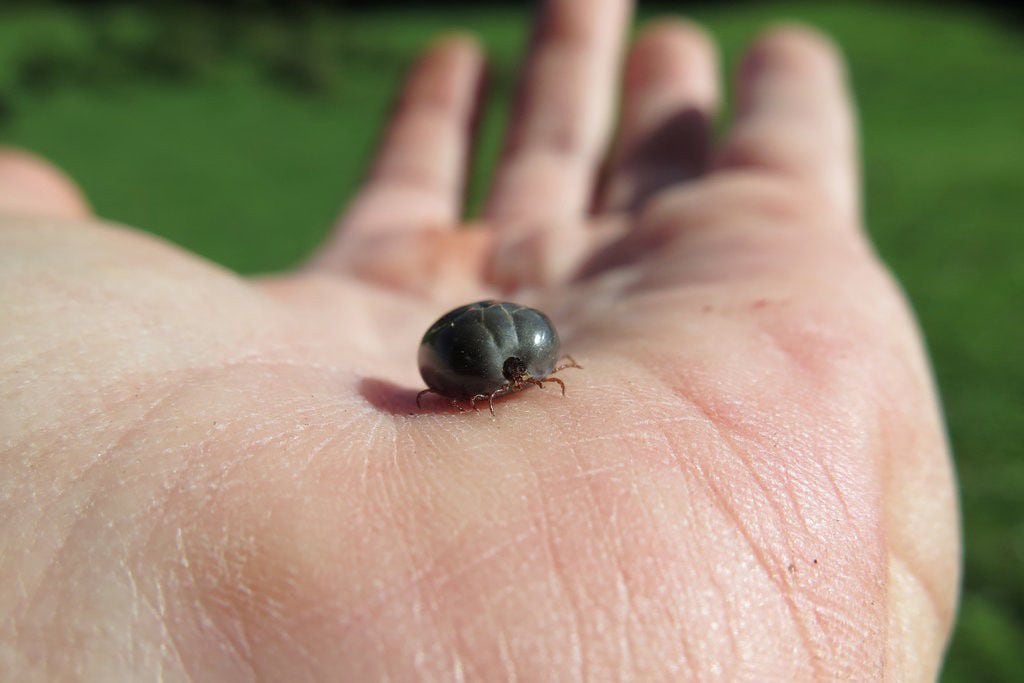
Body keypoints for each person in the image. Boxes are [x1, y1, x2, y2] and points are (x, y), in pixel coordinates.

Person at [0, 0, 959, 679]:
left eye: (519, 373)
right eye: (517, 374)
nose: (521, 379)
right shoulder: (516, 355)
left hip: (460, 351)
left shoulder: (508, 355)